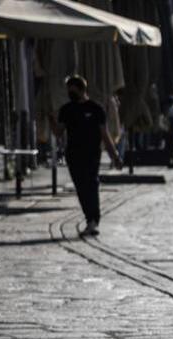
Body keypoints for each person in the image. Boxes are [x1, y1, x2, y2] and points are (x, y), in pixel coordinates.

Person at [54, 75, 123, 237]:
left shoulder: (96, 109)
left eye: (73, 91)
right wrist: (51, 119)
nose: (70, 94)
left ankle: (93, 220)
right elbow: (59, 132)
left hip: (92, 154)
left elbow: (105, 135)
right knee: (81, 188)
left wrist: (115, 156)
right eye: (68, 91)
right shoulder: (66, 110)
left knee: (91, 185)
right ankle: (89, 219)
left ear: (82, 89)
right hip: (73, 155)